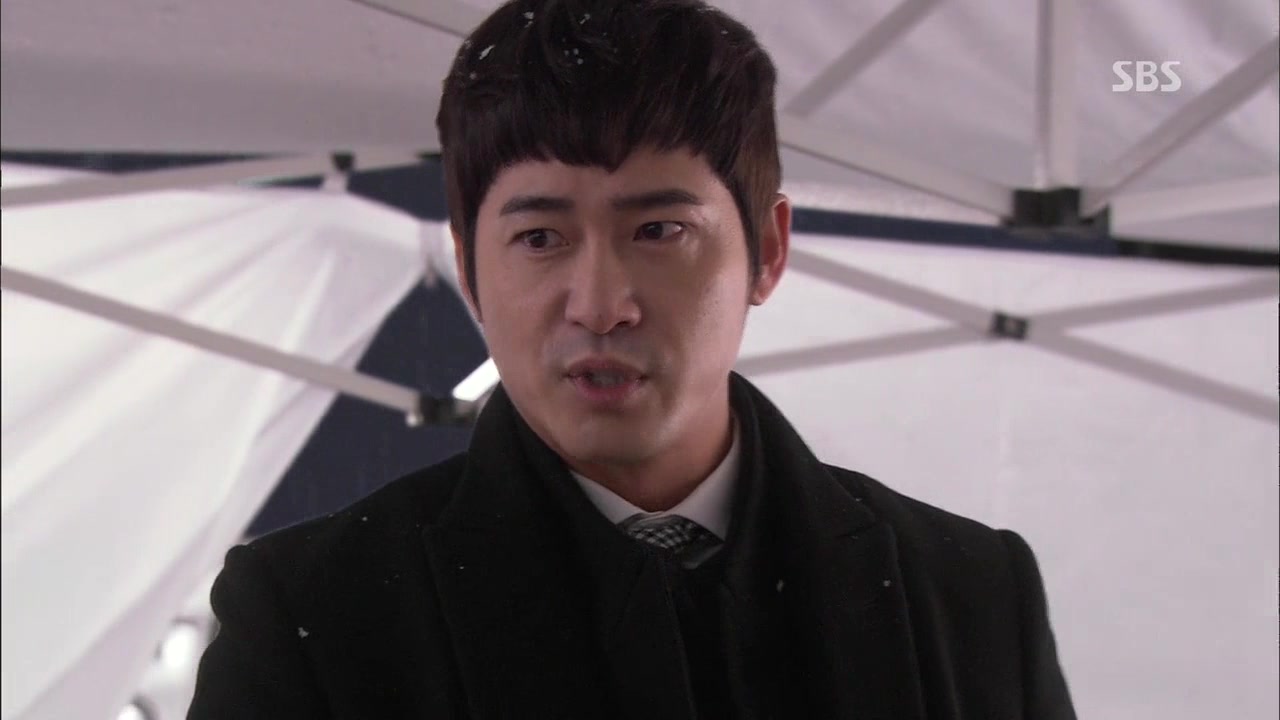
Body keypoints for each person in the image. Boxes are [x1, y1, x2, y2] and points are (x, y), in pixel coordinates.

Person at [188, 0, 1077, 717]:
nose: (601, 304)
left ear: (768, 250)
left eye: (659, 230)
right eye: (540, 238)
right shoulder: (317, 615)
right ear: (468, 270)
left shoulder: (967, 594)